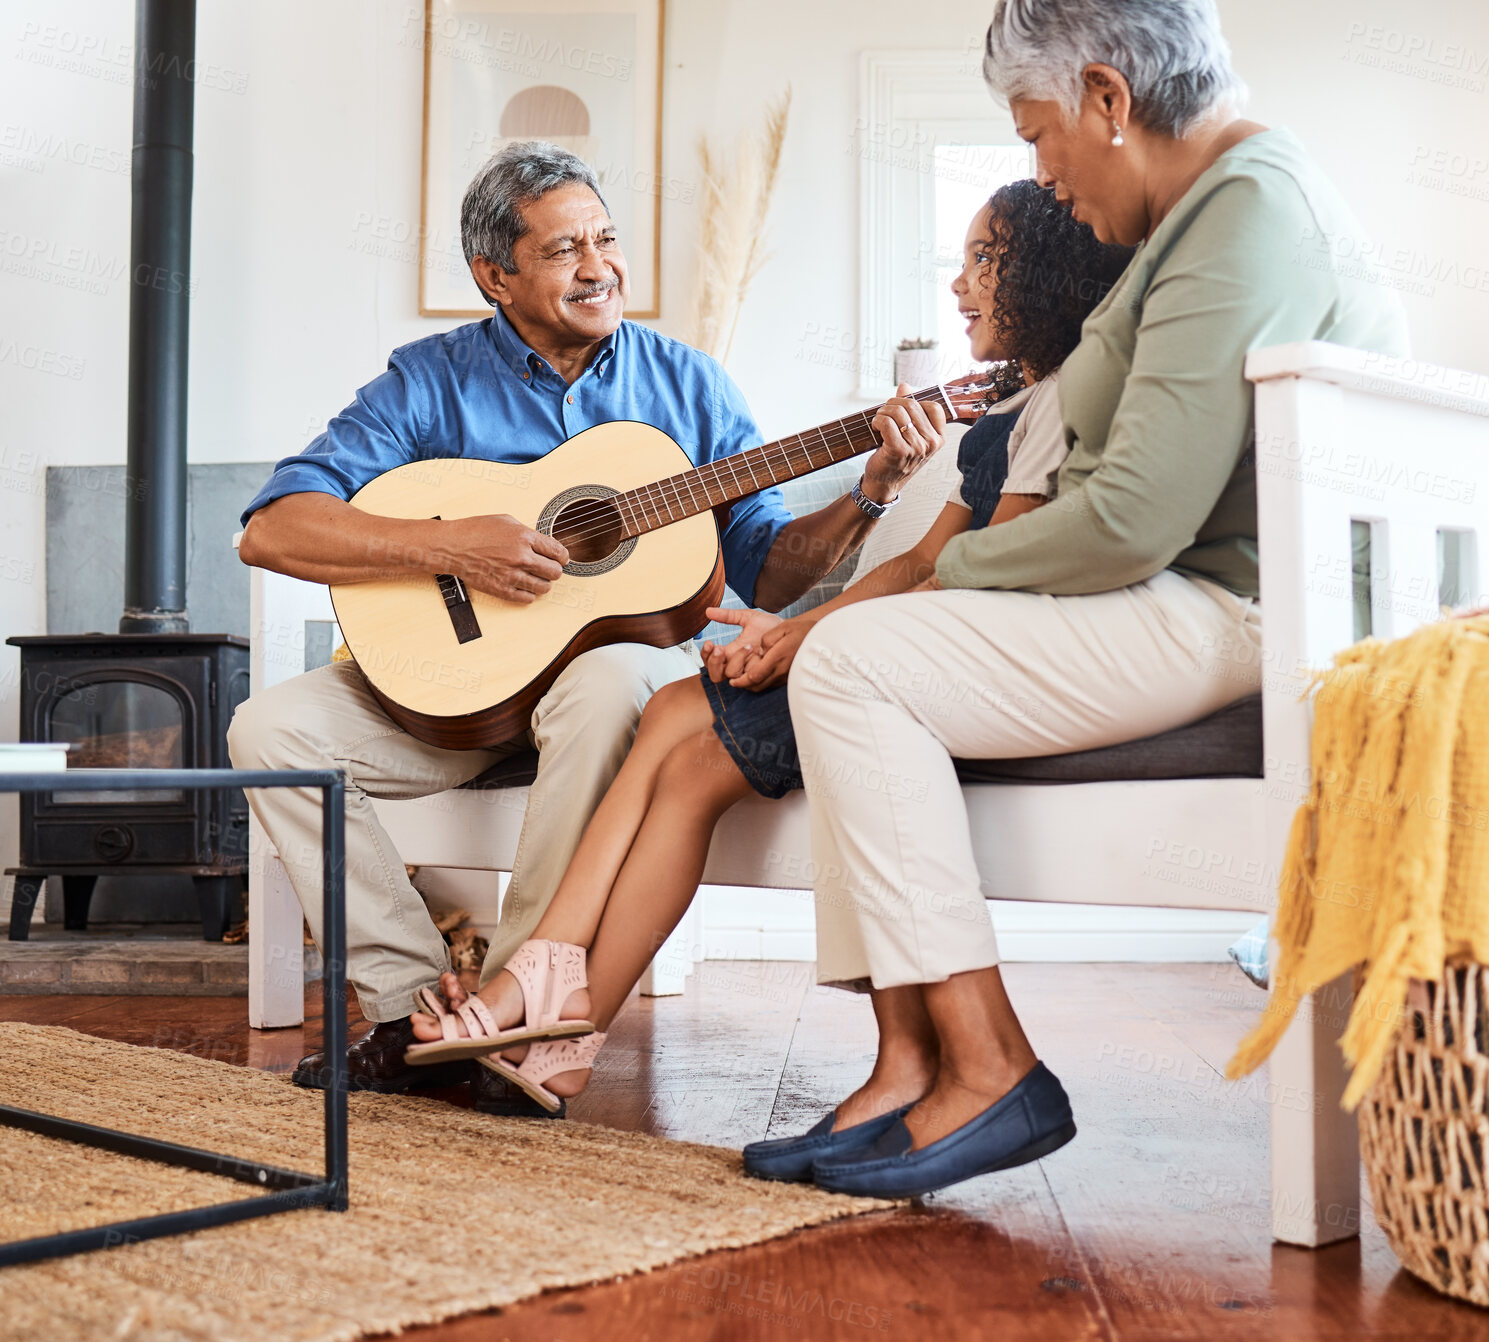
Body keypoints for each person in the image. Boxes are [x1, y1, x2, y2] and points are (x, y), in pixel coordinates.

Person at [764, 0, 1411, 1198]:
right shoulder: (1209, 214)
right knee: (855, 650)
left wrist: (924, 574)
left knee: (850, 661)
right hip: (1220, 595)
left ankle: (986, 1065)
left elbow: (1131, 520)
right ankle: (911, 1063)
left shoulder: (1246, 209)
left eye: (1035, 133)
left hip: (1242, 612)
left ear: (1108, 100)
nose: (1041, 176)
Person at [227, 140, 944, 1108]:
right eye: (565, 250)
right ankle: (404, 1013)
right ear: (495, 273)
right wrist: (447, 548)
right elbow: (274, 528)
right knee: (267, 729)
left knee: (607, 680)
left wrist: (871, 490)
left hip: (604, 697)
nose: (599, 266)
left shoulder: (688, 385)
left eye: (606, 240)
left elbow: (770, 565)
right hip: (452, 698)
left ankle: (512, 1016)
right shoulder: (427, 380)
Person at [403, 180, 1133, 1117]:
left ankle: (540, 999)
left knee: (672, 716)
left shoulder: (1055, 404)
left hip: (938, 659)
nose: (955, 288)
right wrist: (791, 630)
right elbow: (918, 559)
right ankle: (557, 1027)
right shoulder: (1004, 413)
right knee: (674, 721)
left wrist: (800, 634)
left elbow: (970, 574)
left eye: (979, 262)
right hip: (892, 635)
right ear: (492, 278)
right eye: (562, 249)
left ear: (1046, 276)